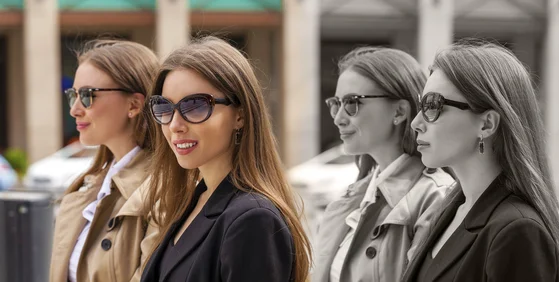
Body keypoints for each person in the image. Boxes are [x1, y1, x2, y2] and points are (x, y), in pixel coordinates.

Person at [403, 40, 559, 282]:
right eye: (421, 105)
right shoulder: (452, 209)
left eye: (432, 106)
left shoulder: (517, 230)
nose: (416, 123)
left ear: (487, 124)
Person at [140, 36, 311, 282]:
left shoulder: (253, 220)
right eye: (165, 108)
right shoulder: (195, 199)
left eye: (196, 106)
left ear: (240, 115)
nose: (175, 125)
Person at [312, 47, 455, 282]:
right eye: (336, 103)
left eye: (352, 102)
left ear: (399, 111)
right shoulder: (356, 196)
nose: (338, 117)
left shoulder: (433, 197)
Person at [49, 39, 160, 282]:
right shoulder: (90, 185)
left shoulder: (161, 189)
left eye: (88, 95)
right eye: (73, 95)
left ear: (134, 104)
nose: (75, 109)